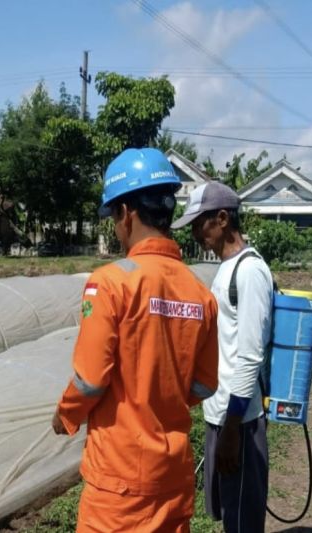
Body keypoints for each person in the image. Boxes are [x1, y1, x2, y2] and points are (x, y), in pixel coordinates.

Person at [52, 147, 219, 532]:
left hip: (119, 483)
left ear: (125, 213)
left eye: (113, 216)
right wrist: (161, 394)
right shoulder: (198, 291)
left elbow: (90, 380)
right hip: (172, 477)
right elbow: (204, 384)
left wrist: (65, 415)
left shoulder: (111, 282)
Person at [171, 181, 274, 533]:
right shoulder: (225, 269)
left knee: (242, 522)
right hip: (222, 418)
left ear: (222, 218)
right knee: (229, 513)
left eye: (200, 224)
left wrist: (232, 428)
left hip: (240, 422)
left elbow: (249, 356)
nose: (197, 234)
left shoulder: (250, 272)